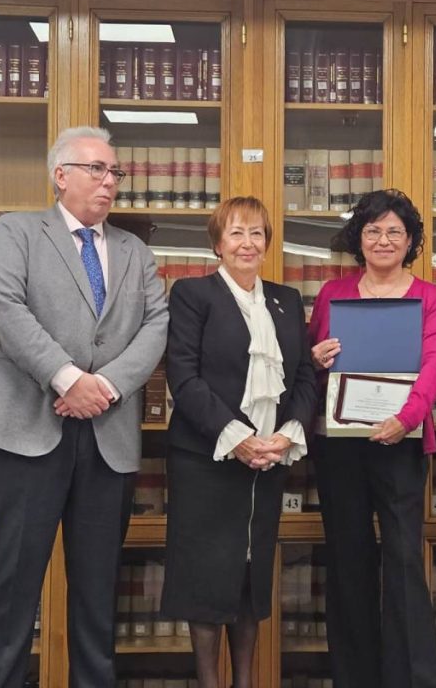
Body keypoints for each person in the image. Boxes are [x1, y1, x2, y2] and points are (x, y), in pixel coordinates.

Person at [0, 126, 169, 688]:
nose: (110, 182)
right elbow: (4, 308)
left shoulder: (134, 252)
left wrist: (105, 387)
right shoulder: (16, 232)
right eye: (97, 169)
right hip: (27, 434)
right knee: (12, 585)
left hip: (108, 437)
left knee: (98, 591)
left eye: (115, 172)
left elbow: (157, 324)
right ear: (61, 176)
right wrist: (67, 378)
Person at [161, 196, 317, 688]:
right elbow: (183, 377)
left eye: (256, 233)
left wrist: (287, 436)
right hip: (206, 460)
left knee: (251, 576)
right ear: (217, 244)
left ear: (267, 243)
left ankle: (244, 682)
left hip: (268, 462)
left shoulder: (286, 300)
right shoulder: (192, 294)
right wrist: (239, 439)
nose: (247, 243)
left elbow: (304, 376)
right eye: (236, 233)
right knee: (206, 580)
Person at [308, 189, 436, 688]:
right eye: (373, 231)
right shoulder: (332, 294)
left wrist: (405, 419)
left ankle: (414, 680)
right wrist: (315, 358)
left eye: (394, 231)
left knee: (405, 561)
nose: (383, 240)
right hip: (339, 446)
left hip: (400, 442)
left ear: (410, 241)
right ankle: (355, 678)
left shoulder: (429, 298)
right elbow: (309, 363)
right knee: (348, 561)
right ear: (359, 238)